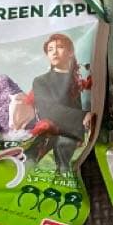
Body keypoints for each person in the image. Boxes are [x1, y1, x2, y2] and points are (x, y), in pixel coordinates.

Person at [28, 33, 94, 173]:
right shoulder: (40, 81)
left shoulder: (76, 81)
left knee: (66, 155)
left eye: (60, 47)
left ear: (70, 52)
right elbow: (47, 111)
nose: (54, 52)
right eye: (50, 49)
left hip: (74, 135)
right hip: (47, 133)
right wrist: (83, 116)